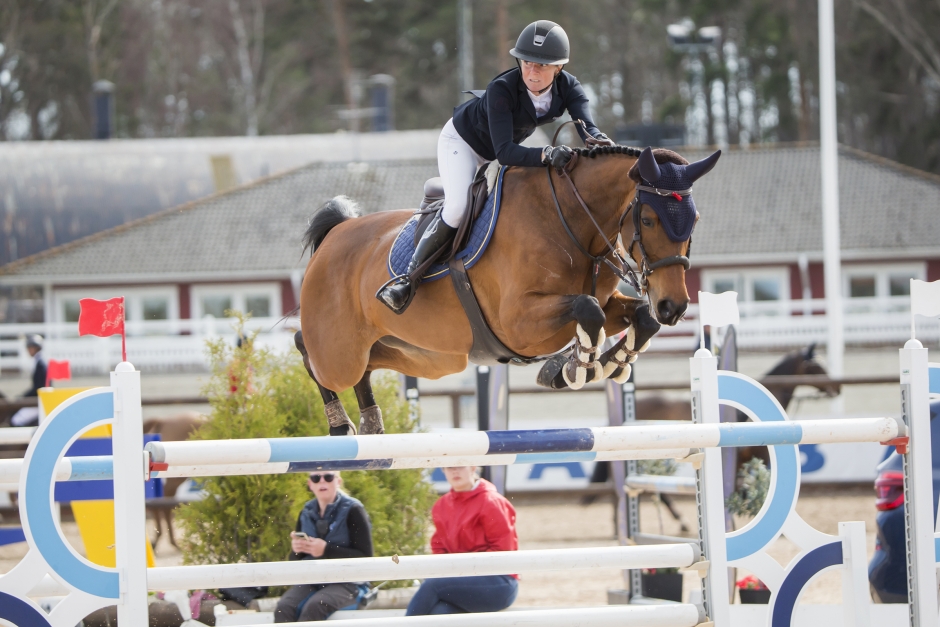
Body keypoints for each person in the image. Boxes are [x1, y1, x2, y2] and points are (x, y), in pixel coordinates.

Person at [377, 19, 615, 314]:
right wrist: (547, 154)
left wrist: (610, 150)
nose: (532, 71)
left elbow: (589, 131)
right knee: (457, 207)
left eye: (542, 65)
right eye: (527, 63)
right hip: (462, 144)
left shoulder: (570, 88)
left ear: (559, 68)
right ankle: (407, 280)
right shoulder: (502, 88)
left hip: (498, 150)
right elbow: (505, 153)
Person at [406, 466, 519, 615]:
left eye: (460, 466)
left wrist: (457, 572)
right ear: (443, 470)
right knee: (440, 612)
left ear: (473, 467)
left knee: (432, 585)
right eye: (449, 467)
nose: (455, 471)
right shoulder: (441, 505)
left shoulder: (492, 501)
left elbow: (503, 552)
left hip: (498, 581)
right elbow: (439, 548)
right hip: (461, 581)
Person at [274, 472, 374, 622]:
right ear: (310, 484)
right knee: (284, 607)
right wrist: (297, 549)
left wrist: (326, 550)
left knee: (315, 607)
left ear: (338, 481)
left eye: (328, 477)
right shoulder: (306, 512)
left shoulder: (354, 510)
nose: (322, 482)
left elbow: (366, 557)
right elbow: (295, 559)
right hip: (313, 580)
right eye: (316, 478)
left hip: (349, 583)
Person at [10, 335, 46, 427]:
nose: (28, 351)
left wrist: (23, 397)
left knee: (16, 420)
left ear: (35, 348)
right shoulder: (39, 362)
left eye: (30, 348)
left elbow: (38, 387)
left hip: (38, 402)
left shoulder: (41, 364)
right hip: (38, 399)